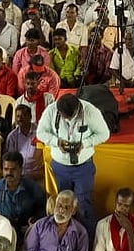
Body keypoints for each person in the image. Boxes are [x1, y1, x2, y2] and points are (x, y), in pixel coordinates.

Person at [35, 93, 110, 226]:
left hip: (83, 167)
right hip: (60, 167)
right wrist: (57, 142)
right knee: (64, 205)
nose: (67, 120)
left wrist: (84, 144)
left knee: (83, 204)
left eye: (70, 117)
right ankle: (67, 235)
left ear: (78, 109)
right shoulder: (51, 110)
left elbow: (104, 134)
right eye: (64, 117)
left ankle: (87, 238)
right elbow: (40, 132)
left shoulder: (90, 111)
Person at [23, 191, 89, 251]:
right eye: (59, 206)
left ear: (73, 211)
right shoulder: (40, 225)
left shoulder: (81, 232)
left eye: (66, 207)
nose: (61, 210)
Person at [0, 152, 46, 230]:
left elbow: (43, 208)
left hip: (28, 231)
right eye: (6, 169)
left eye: (13, 169)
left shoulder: (33, 188)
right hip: (2, 231)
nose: (9, 173)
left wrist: (35, 220)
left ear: (21, 169)